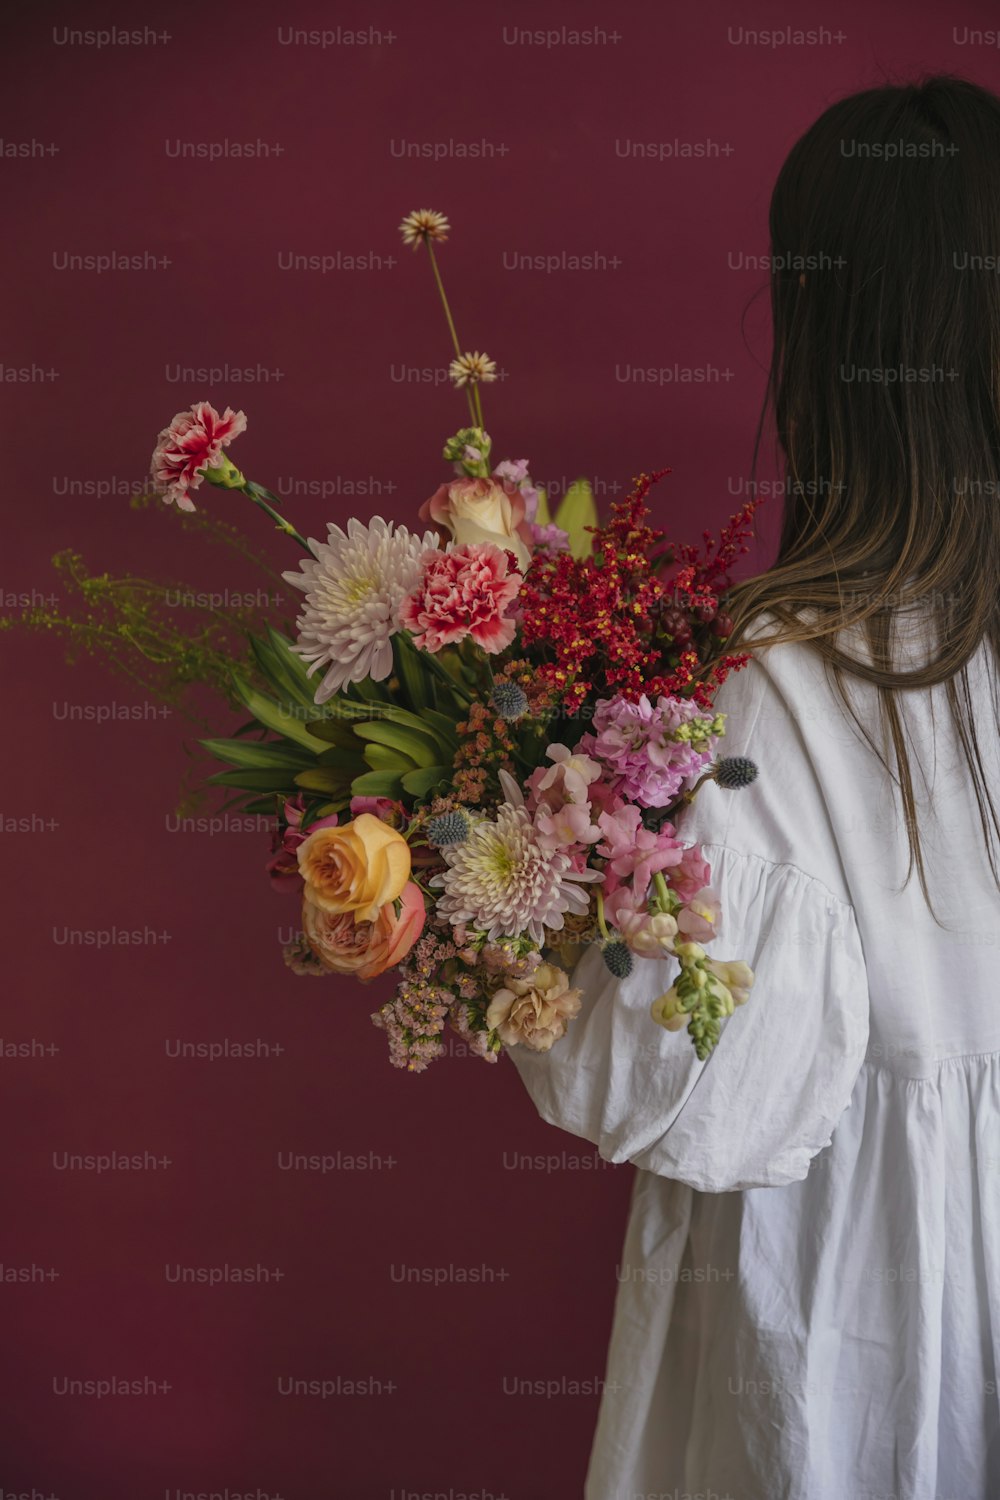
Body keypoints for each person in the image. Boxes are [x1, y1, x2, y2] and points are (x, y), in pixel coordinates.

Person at [508, 74, 1000, 1500]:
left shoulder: (769, 689)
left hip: (853, 1344)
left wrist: (524, 892)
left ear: (823, 340)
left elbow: (689, 1097)